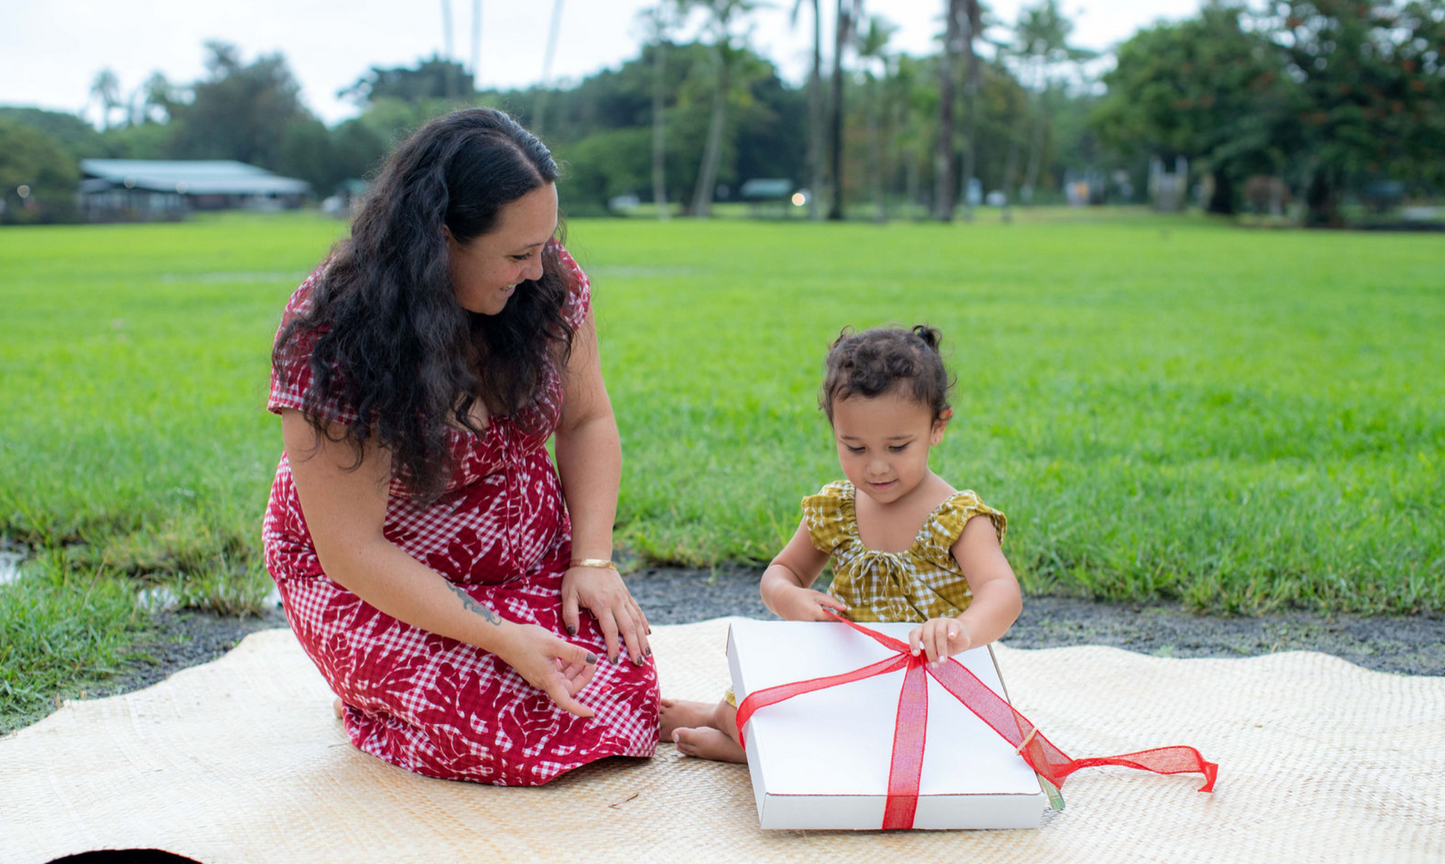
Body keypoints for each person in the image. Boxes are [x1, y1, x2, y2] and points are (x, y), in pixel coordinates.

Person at [262, 108, 658, 786]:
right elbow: (351, 549)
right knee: (508, 731)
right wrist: (499, 636)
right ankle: (370, 696)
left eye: (544, 245)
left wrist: (591, 560)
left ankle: (432, 682)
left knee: (607, 678)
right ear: (438, 240)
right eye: (514, 254)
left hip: (526, 565)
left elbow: (587, 420)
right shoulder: (333, 333)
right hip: (376, 583)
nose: (539, 270)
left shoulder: (547, 284)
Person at [659, 325, 1023, 762]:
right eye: (854, 447)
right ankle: (729, 720)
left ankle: (737, 738)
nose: (876, 467)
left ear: (937, 427)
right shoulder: (839, 509)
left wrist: (961, 629)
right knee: (782, 700)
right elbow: (781, 573)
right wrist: (791, 600)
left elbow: (1001, 592)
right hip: (844, 674)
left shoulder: (956, 518)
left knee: (886, 754)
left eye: (897, 446)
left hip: (926, 685)